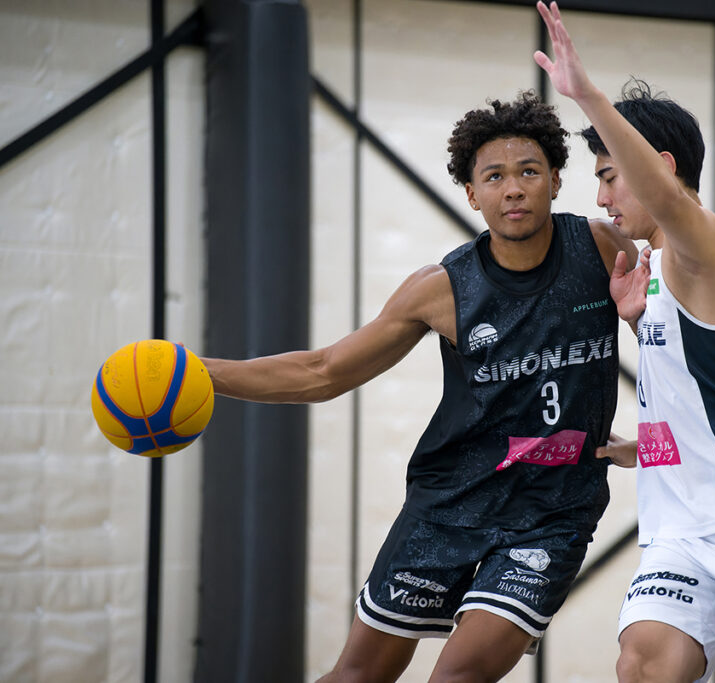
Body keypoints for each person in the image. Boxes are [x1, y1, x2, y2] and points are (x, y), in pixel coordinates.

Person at [202, 91, 642, 682]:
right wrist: (202, 373)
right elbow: (324, 371)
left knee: (456, 676)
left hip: (553, 512)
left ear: (557, 181)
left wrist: (657, 444)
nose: (513, 189)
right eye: (494, 176)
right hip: (450, 504)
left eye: (529, 171)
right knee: (356, 676)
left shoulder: (602, 249)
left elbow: (675, 349)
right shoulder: (441, 288)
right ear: (472, 193)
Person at [534, 3, 715, 682]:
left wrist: (588, 95)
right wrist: (643, 433)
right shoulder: (654, 274)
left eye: (609, 175)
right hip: (682, 532)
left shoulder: (707, 248)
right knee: (643, 661)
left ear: (658, 167)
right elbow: (702, 390)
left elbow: (669, 202)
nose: (602, 198)